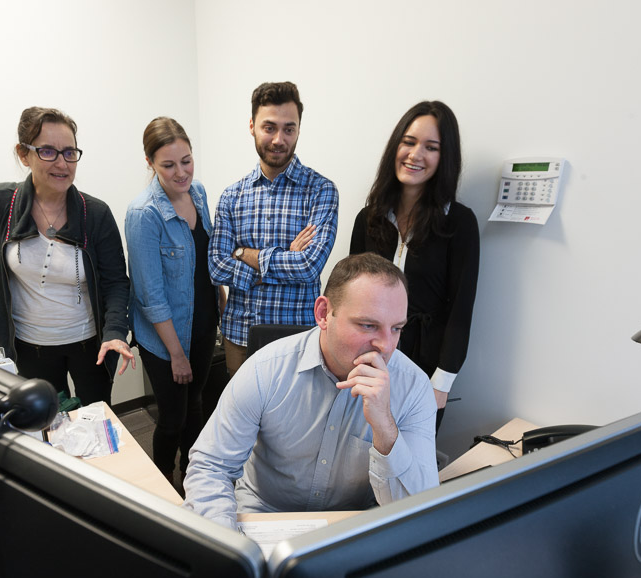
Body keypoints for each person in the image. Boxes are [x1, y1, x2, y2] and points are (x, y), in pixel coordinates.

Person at [183, 253, 440, 530]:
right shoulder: (265, 370)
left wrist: (384, 427)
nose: (386, 346)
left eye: (396, 328)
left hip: (353, 524)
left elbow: (420, 510)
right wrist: (227, 545)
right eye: (368, 325)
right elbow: (211, 466)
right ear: (323, 314)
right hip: (266, 515)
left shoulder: (413, 386)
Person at [0, 107, 134, 405]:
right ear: (23, 154)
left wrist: (116, 331)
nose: (61, 163)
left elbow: (116, 283)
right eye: (47, 151)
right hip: (30, 347)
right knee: (45, 425)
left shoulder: (94, 213)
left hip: (89, 346)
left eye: (69, 153)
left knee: (97, 419)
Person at [350, 101, 479, 430]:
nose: (415, 154)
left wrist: (442, 383)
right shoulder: (369, 218)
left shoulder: (459, 223)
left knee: (408, 470)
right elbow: (347, 296)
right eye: (408, 142)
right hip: (368, 363)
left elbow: (460, 312)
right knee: (356, 462)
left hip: (426, 371)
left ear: (444, 158)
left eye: (431, 147)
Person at [208, 81, 339, 376]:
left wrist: (242, 253)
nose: (279, 139)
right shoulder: (232, 196)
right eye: (269, 127)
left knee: (295, 422)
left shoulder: (321, 191)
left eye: (289, 129)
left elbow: (308, 266)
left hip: (297, 340)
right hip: (239, 336)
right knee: (240, 422)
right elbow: (217, 267)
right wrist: (285, 257)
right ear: (252, 126)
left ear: (298, 131)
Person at [125, 117, 224, 487]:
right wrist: (177, 354)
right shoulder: (143, 214)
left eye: (186, 160)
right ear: (150, 162)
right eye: (168, 164)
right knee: (172, 418)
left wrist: (221, 297)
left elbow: (207, 255)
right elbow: (150, 297)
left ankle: (193, 480)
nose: (181, 172)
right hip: (166, 336)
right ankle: (164, 482)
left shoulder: (198, 192)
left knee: (195, 405)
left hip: (201, 323)